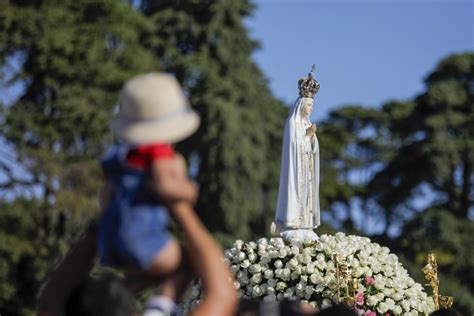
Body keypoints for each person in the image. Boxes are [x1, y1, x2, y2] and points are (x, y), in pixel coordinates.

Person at [37, 72, 238, 316]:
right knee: (182, 264)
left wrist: (104, 224)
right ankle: (161, 300)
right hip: (143, 236)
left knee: (158, 271)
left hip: (113, 242)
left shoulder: (117, 159)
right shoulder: (156, 155)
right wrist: (180, 204)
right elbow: (222, 293)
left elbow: (51, 298)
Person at [273, 68, 321, 243]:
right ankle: (292, 220)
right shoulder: (293, 123)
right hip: (296, 169)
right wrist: (308, 137)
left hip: (306, 170)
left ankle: (305, 222)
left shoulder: (307, 123)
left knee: (307, 194)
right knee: (295, 192)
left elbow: (313, 149)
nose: (310, 109)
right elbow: (293, 147)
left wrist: (312, 140)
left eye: (312, 106)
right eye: (308, 105)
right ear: (301, 105)